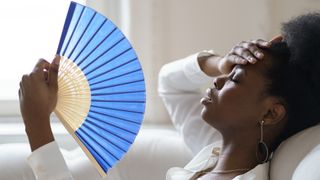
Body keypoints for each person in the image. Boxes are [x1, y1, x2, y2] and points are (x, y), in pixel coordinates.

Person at [17, 12, 320, 180]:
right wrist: (222, 62)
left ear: (270, 113)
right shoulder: (215, 152)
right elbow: (170, 83)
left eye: (235, 79)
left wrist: (36, 124)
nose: (217, 82)